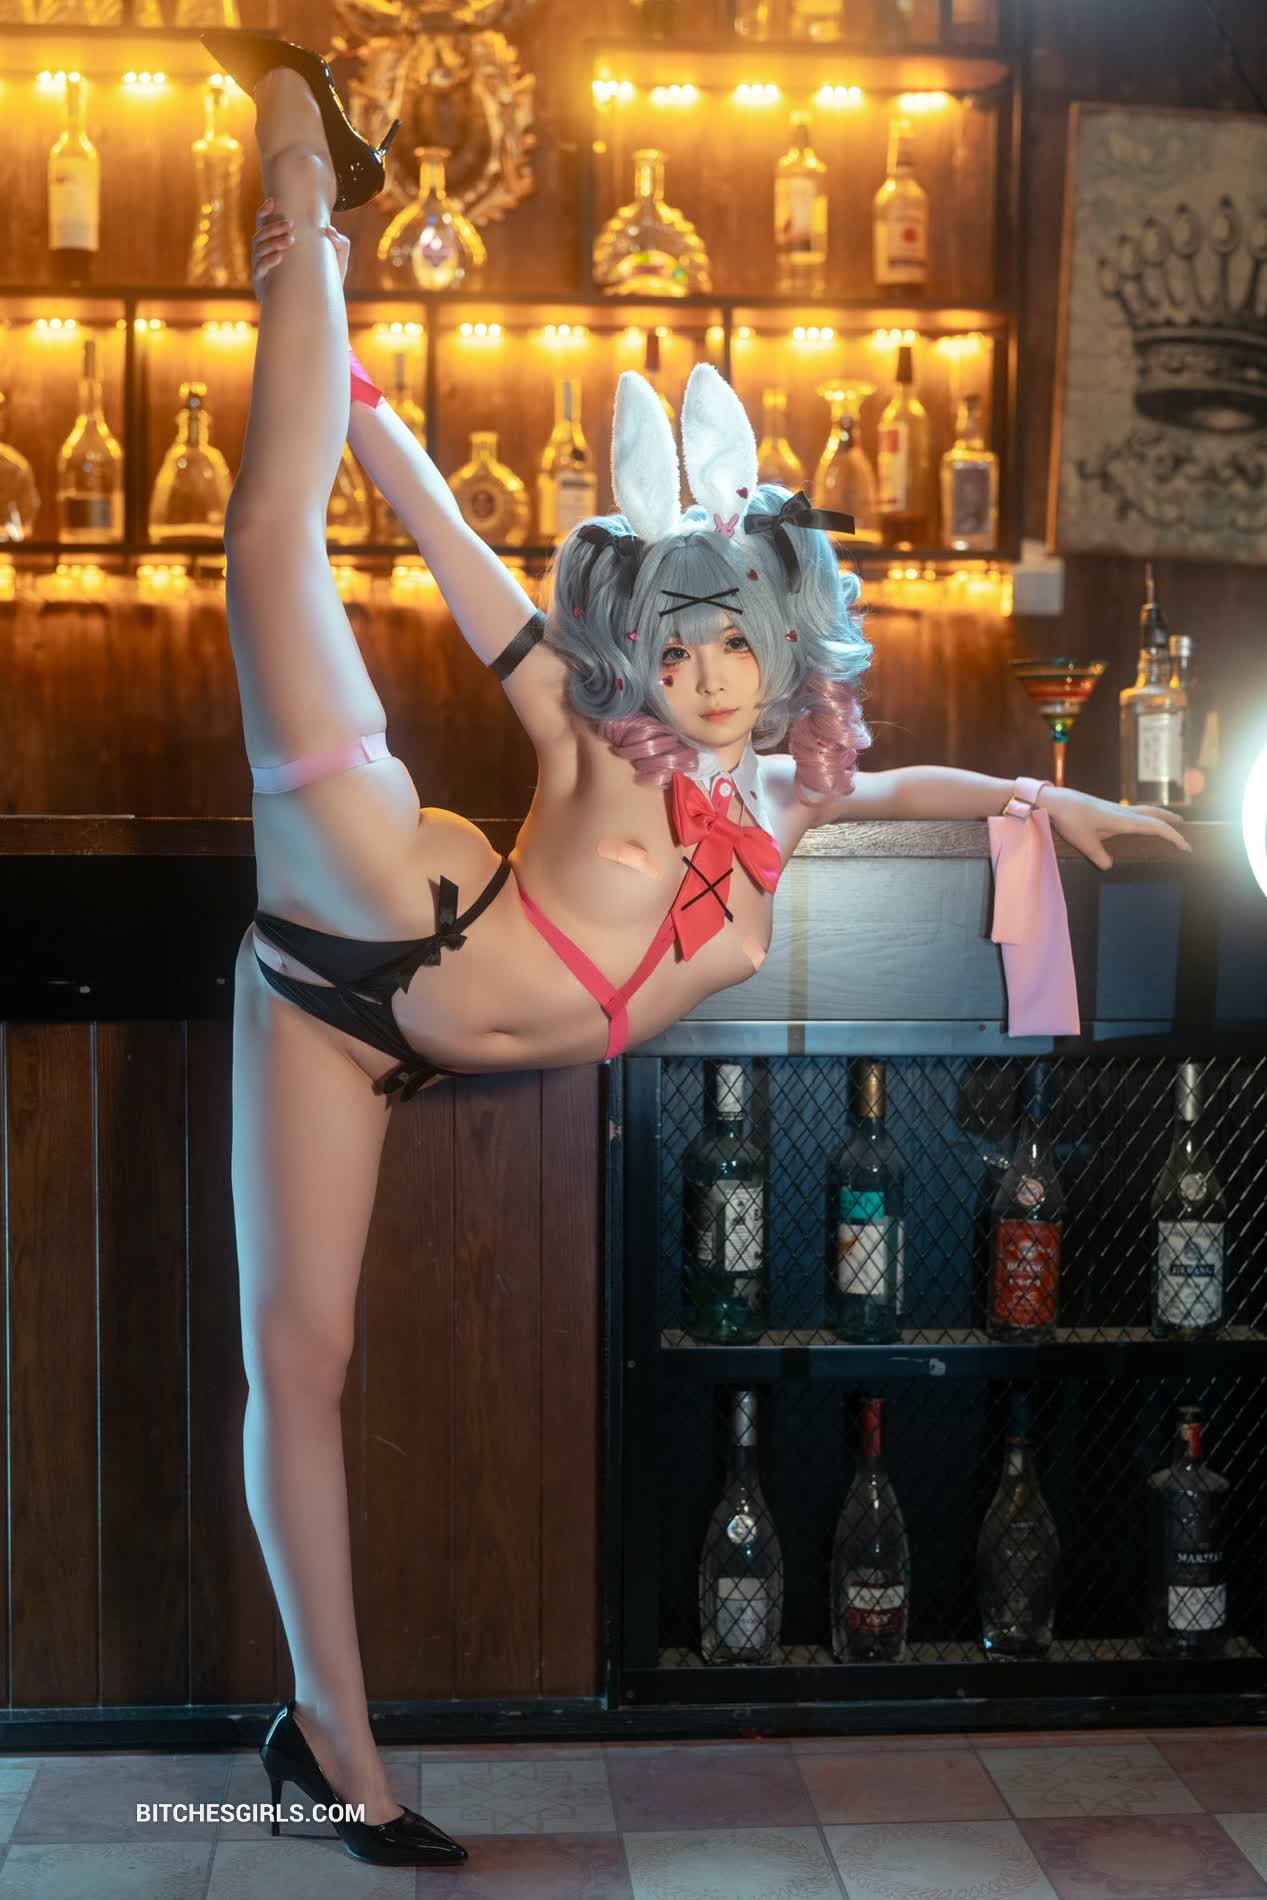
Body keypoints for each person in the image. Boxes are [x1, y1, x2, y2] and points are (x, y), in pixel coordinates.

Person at [205, 27, 1189, 1871]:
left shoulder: (785, 810)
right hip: (372, 898)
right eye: (677, 642)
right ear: (638, 646)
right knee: (271, 534)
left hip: (350, 1037)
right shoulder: (593, 738)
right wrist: (358, 392)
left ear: (788, 645)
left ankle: (320, 1743)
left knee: (304, 1364)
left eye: (738, 642)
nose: (710, 673)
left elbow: (918, 786)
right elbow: (453, 548)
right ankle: (302, 167)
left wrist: (1058, 802)